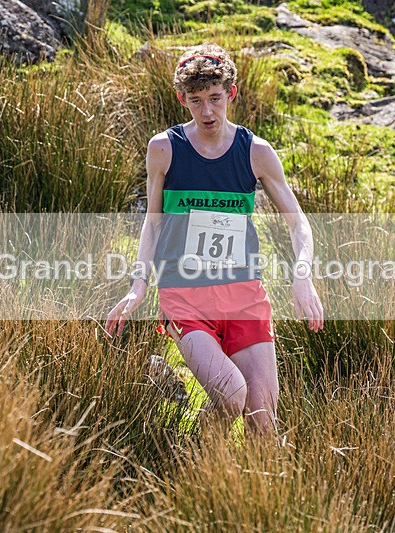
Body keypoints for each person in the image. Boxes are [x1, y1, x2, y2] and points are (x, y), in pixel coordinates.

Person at [105, 43, 323, 436]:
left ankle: (225, 486)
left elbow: (298, 224)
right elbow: (152, 224)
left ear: (232, 94)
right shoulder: (164, 149)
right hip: (184, 297)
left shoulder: (255, 152)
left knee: (264, 427)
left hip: (245, 297)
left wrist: (302, 275)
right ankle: (195, 462)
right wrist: (138, 288)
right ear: (182, 99)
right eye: (196, 100)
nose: (207, 112)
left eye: (215, 99)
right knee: (230, 394)